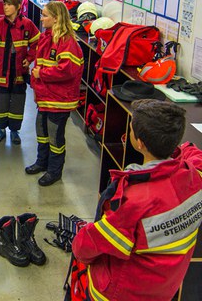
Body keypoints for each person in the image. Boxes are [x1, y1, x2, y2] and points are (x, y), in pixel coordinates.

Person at [72, 100, 202, 301]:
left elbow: (85, 246)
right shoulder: (194, 177)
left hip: (120, 293)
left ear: (139, 143)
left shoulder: (132, 202)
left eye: (131, 128)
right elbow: (193, 153)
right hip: (164, 288)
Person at [26, 0, 83, 186]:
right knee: (41, 133)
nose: (41, 19)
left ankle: (54, 171)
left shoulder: (67, 42)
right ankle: (42, 163)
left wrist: (40, 74)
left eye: (45, 15)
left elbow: (67, 70)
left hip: (59, 100)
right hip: (45, 97)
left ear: (56, 18)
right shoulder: (47, 37)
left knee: (55, 137)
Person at [0, 0, 40, 145]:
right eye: (4, 4)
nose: (5, 7)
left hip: (19, 73)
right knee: (1, 101)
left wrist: (29, 58)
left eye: (9, 4)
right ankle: (1, 130)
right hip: (2, 71)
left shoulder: (27, 25)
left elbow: (37, 43)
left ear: (18, 7)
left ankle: (15, 131)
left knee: (17, 101)